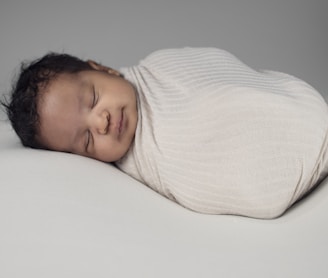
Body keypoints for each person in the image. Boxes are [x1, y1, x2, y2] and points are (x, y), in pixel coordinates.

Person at [2, 47, 328, 219]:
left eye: (93, 99)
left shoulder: (162, 65)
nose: (100, 123)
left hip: (289, 105)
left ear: (102, 69)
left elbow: (217, 69)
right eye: (86, 140)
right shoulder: (143, 162)